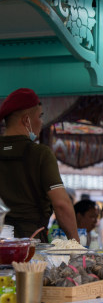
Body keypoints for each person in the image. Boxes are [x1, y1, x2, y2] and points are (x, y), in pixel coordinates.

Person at [0, 88, 78, 241]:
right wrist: (76, 244)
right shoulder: (40, 154)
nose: (41, 122)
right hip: (30, 245)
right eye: (40, 116)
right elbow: (61, 204)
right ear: (26, 120)